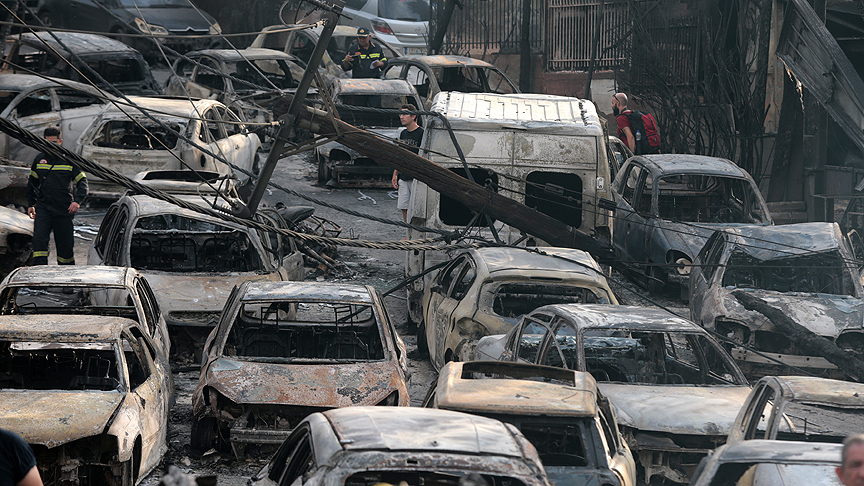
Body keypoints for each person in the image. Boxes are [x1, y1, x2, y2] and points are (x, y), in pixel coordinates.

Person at [26, 128, 88, 266]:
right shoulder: (39, 159)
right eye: (47, 143)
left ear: (60, 142)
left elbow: (82, 183)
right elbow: (32, 183)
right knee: (39, 243)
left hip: (63, 210)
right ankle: (39, 274)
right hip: (43, 209)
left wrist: (77, 202)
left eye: (54, 143)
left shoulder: (69, 160)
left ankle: (66, 276)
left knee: (65, 248)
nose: (50, 146)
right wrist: (31, 204)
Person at [391, 104, 424, 223]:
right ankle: (407, 230)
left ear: (413, 116)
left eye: (404, 114)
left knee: (417, 207)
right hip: (403, 176)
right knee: (404, 206)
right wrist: (395, 174)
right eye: (400, 114)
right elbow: (400, 155)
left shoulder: (422, 133)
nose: (401, 117)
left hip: (416, 177)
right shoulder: (403, 134)